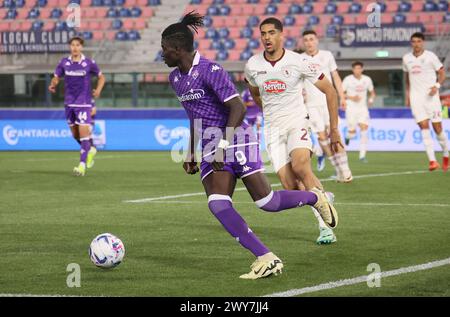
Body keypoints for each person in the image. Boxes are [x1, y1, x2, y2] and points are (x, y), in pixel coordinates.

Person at [161, 12, 338, 279]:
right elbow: (193, 116)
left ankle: (315, 197)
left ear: (177, 48)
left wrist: (222, 143)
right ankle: (266, 257)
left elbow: (238, 107)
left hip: (236, 138)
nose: (162, 54)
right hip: (211, 147)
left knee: (266, 201)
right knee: (218, 204)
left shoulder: (210, 70)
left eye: (164, 49)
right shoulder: (176, 79)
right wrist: (191, 150)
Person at [244, 18, 342, 245]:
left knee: (300, 166)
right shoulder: (253, 64)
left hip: (297, 122)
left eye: (271, 33)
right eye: (263, 34)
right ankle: (323, 197)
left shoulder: (299, 62)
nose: (267, 37)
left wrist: (334, 129)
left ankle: (325, 228)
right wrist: (269, 113)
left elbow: (330, 91)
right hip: (272, 129)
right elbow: (255, 93)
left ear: (281, 35)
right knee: (290, 186)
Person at [299, 30, 353, 182]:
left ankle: (346, 170)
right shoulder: (300, 59)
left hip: (328, 101)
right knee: (322, 137)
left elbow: (335, 76)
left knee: (334, 134)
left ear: (317, 40)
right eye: (306, 40)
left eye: (311, 39)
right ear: (303, 43)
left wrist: (342, 96)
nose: (309, 42)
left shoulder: (327, 55)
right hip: (311, 104)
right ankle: (339, 169)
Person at [48, 36, 104, 176]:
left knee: (84, 135)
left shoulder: (89, 63)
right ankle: (91, 149)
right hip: (69, 103)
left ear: (81, 47)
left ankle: (81, 166)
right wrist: (53, 83)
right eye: (72, 45)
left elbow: (101, 77)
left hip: (84, 103)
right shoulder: (64, 63)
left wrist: (98, 90)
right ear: (70, 47)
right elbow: (56, 77)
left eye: (77, 45)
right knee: (75, 134)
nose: (75, 47)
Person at [403, 32, 448, 171]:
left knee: (437, 128)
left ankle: (446, 154)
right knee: (423, 126)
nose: (416, 44)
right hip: (416, 99)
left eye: (418, 41)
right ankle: (432, 161)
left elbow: (442, 73)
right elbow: (407, 77)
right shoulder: (406, 58)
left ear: (423, 42)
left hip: (431, 98)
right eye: (413, 41)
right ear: (411, 43)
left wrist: (437, 86)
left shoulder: (430, 56)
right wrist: (408, 95)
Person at [342, 61, 376, 162]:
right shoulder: (348, 80)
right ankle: (348, 137)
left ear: (362, 69)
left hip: (362, 108)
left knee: (364, 129)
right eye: (355, 68)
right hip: (351, 108)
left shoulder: (367, 79)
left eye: (359, 68)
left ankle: (362, 156)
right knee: (352, 132)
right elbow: (341, 93)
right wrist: (351, 97)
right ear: (353, 69)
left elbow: (372, 92)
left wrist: (371, 100)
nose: (357, 70)